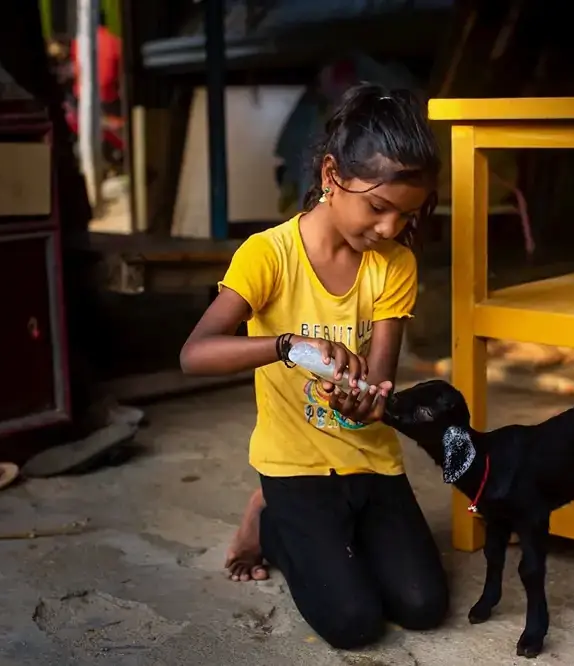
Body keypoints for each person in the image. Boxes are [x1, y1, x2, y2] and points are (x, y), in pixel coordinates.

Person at [180, 83, 448, 649]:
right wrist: (284, 345)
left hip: (369, 461)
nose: (388, 229)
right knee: (354, 624)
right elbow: (195, 353)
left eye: (405, 215)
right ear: (331, 176)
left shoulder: (393, 265)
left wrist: (364, 399)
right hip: (295, 465)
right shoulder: (269, 254)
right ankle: (271, 517)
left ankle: (332, 535)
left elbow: (378, 387)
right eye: (378, 208)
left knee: (423, 606)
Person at [70, 11, 122, 116]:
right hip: (108, 98)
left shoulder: (78, 43)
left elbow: (76, 70)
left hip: (83, 97)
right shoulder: (115, 41)